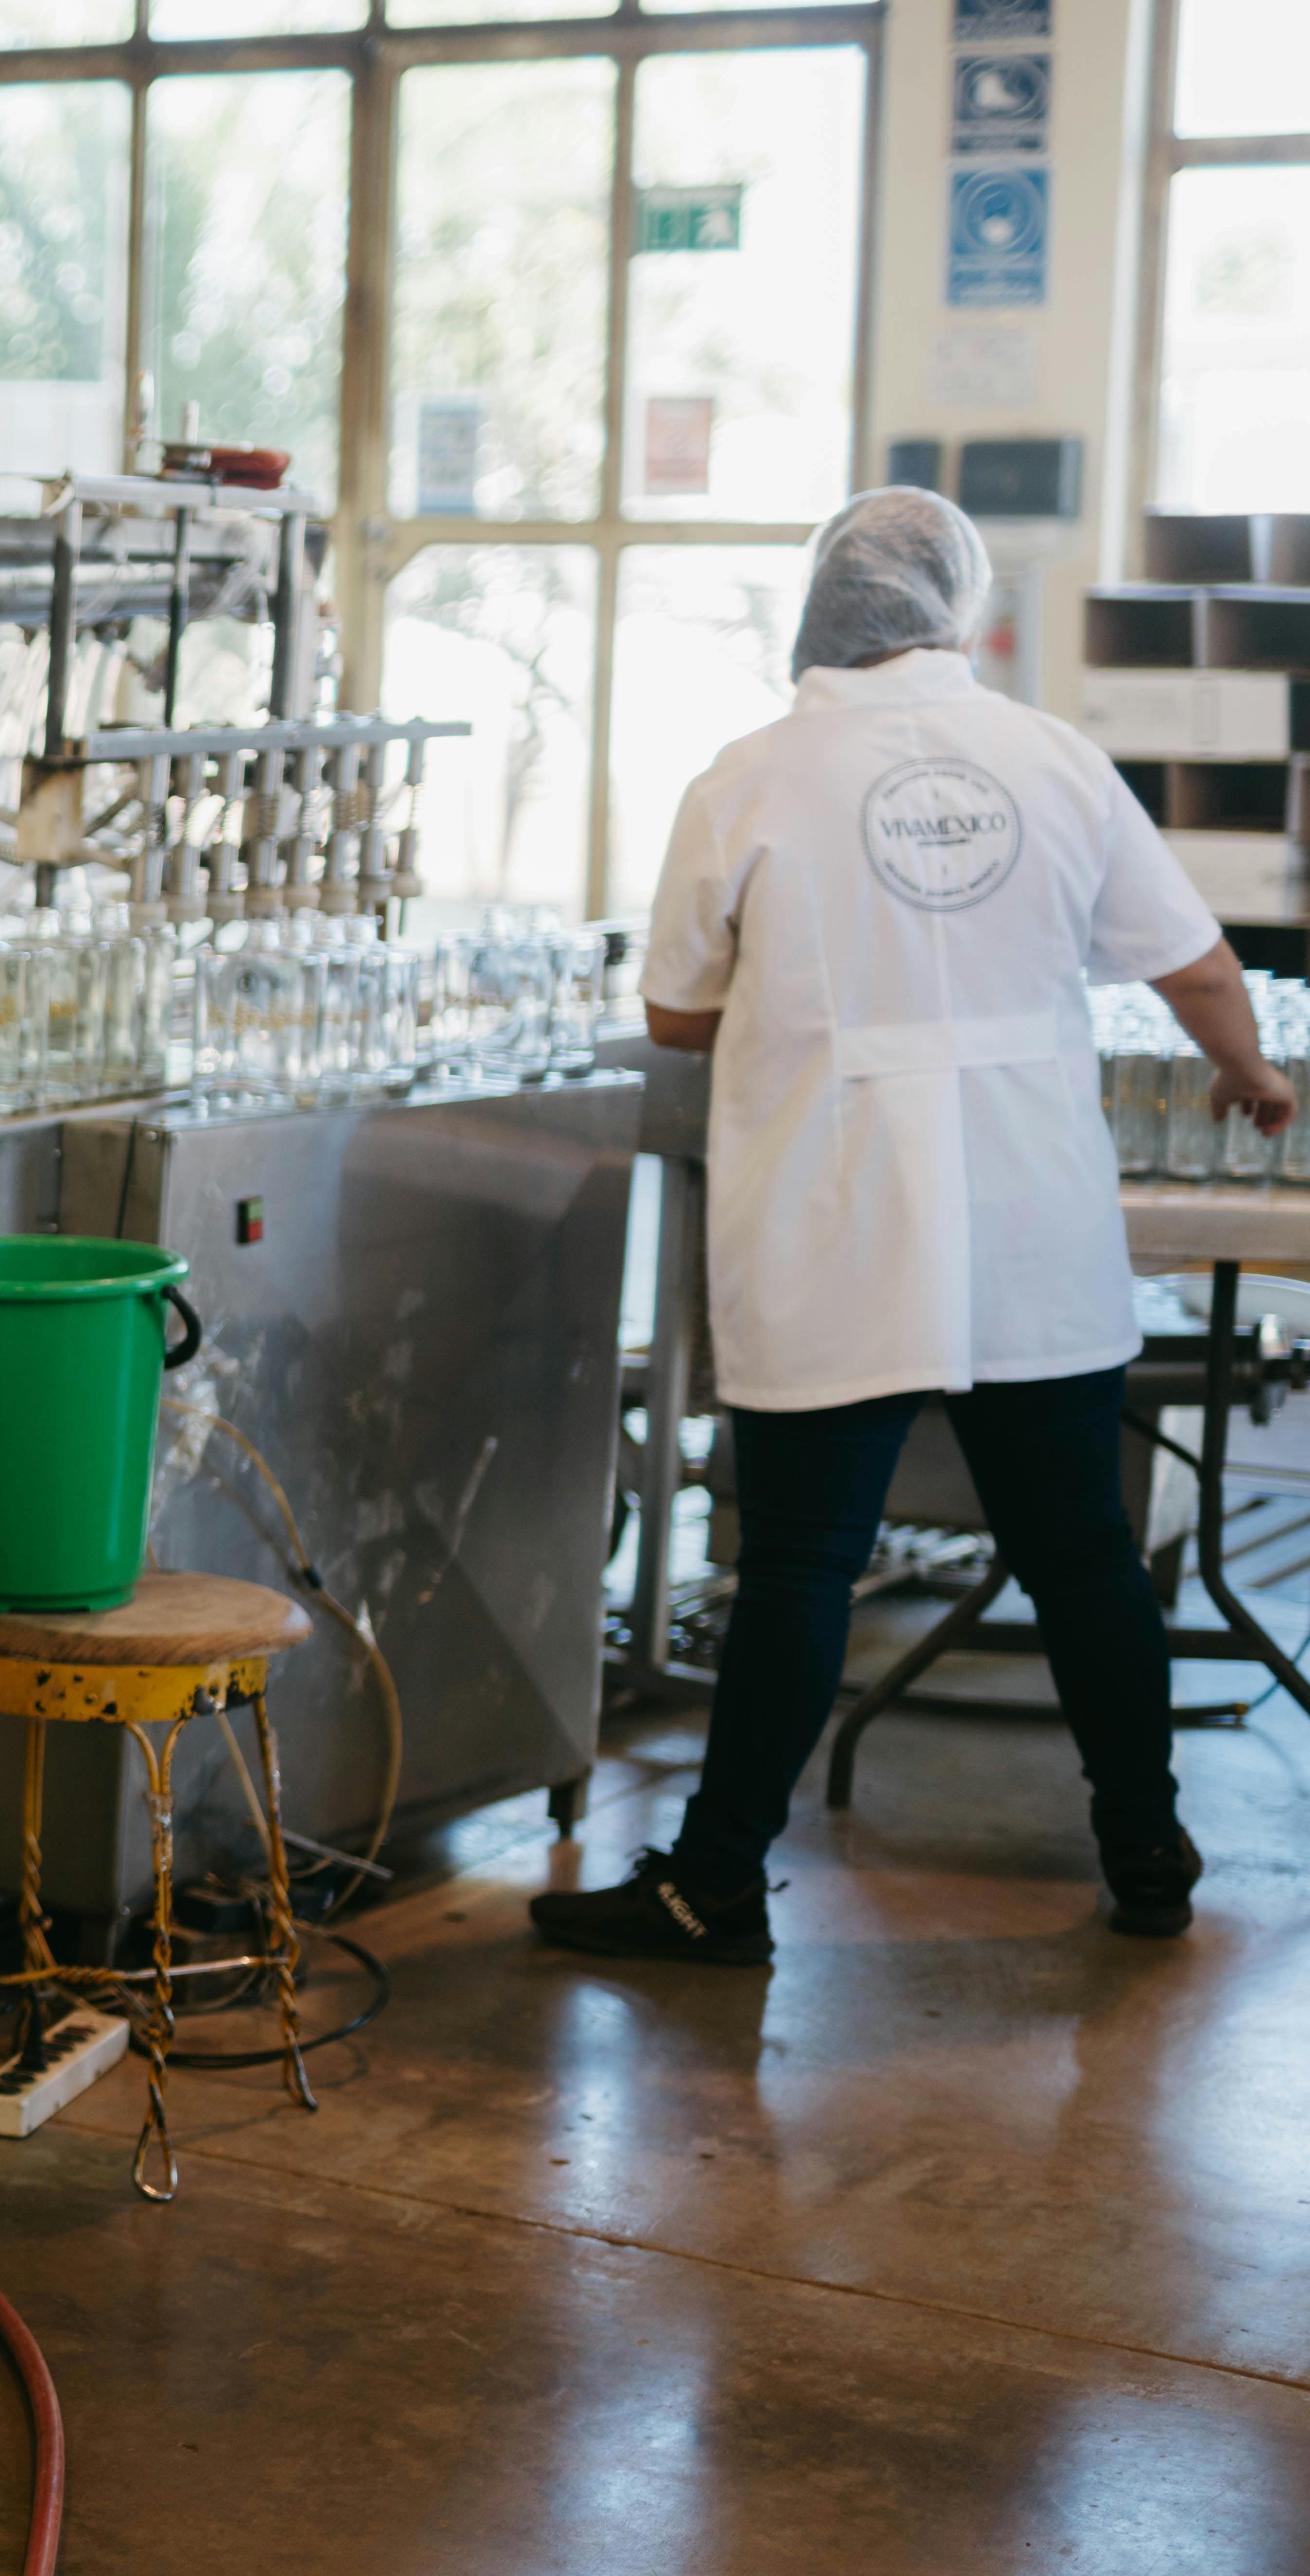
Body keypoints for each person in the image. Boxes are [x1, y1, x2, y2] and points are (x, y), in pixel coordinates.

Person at [532, 489, 1292, 1969]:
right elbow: (1196, 961)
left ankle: (719, 1883)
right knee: (1082, 1554)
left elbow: (678, 1015)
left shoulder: (749, 777)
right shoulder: (1052, 758)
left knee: (805, 1563)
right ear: (960, 607)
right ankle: (1147, 1847)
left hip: (841, 1214)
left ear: (821, 607)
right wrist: (1251, 1075)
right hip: (1027, 1219)